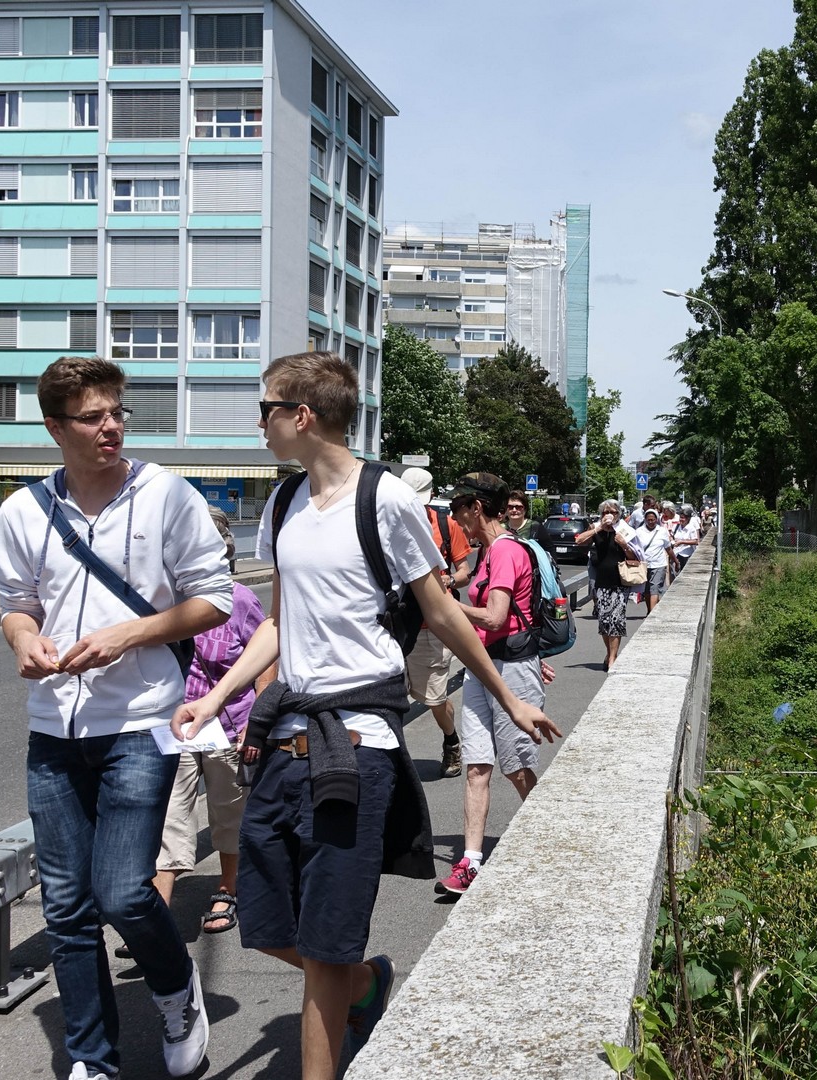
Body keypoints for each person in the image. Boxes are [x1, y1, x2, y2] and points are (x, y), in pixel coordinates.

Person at [171, 352, 559, 1080]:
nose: (260, 422)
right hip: (282, 737)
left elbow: (441, 612)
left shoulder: (385, 500)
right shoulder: (283, 506)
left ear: (303, 415)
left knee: (323, 948)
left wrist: (509, 697)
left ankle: (339, 1011)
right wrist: (217, 697)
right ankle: (368, 984)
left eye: (267, 409)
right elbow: (281, 624)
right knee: (260, 920)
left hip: (358, 744)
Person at [0, 356, 229, 1080]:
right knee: (65, 906)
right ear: (55, 427)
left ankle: (176, 992)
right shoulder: (24, 510)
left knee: (124, 889)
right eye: (94, 416)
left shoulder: (167, 496)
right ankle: (93, 1060)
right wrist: (26, 641)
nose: (113, 427)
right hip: (54, 727)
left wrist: (129, 634)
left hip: (140, 721)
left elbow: (212, 600)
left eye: (118, 411)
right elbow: (16, 604)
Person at [148, 507, 263, 940]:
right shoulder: (163, 602)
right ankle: (157, 910)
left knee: (228, 813)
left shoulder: (238, 600)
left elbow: (265, 657)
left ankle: (227, 888)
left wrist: (256, 719)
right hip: (172, 726)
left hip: (229, 723)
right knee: (168, 816)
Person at [440, 473, 549, 895]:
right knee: (477, 766)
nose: (455, 519)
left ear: (477, 508)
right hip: (482, 666)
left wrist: (445, 606)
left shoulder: (504, 552)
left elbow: (496, 617)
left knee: (517, 767)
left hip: (512, 669)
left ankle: (547, 836)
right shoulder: (487, 553)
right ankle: (470, 861)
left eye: (458, 510)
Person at [399, 468, 472, 779]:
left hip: (432, 626)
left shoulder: (445, 524)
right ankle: (392, 760)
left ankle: (451, 739)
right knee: (386, 698)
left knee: (434, 698)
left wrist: (449, 580)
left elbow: (464, 570)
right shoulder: (390, 522)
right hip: (393, 624)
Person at [574, 499, 642, 670]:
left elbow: (636, 557)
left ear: (618, 514)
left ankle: (612, 658)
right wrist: (598, 528)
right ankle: (609, 652)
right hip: (601, 581)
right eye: (605, 512)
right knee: (604, 621)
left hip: (620, 582)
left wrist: (624, 545)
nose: (608, 515)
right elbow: (579, 541)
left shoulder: (625, 531)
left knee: (616, 619)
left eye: (612, 512)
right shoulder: (597, 529)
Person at [632, 506, 673, 614]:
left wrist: (675, 560)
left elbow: (668, 547)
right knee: (646, 590)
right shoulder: (639, 531)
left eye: (653, 519)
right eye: (648, 520)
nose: (651, 522)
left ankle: (652, 614)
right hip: (644, 564)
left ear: (657, 520)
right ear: (645, 520)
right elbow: (635, 548)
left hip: (658, 564)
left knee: (654, 588)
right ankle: (649, 610)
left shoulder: (662, 531)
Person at [673, 505, 702, 570]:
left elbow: (695, 541)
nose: (681, 519)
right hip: (676, 554)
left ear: (688, 519)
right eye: (680, 517)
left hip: (686, 555)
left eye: (683, 518)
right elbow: (672, 536)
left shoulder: (691, 529)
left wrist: (681, 542)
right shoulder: (677, 527)